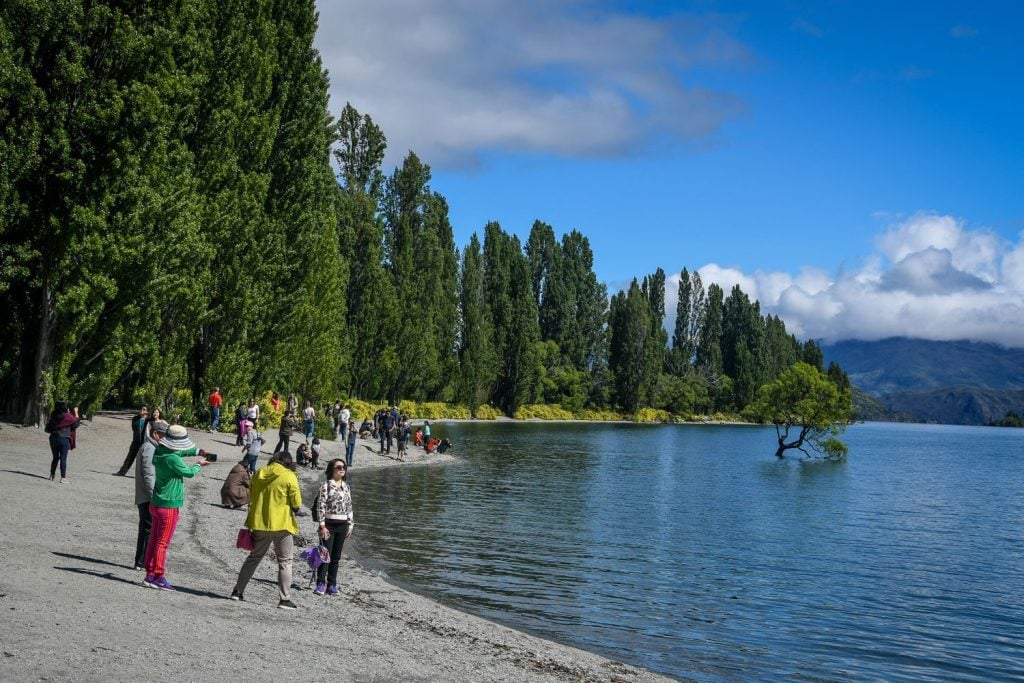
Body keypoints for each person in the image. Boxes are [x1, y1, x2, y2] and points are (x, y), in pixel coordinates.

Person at [230, 451, 302, 609]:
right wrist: (295, 508)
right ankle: (284, 599)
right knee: (285, 562)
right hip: (282, 524)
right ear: (288, 462)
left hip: (260, 522)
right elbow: (296, 502)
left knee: (254, 558)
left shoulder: (260, 472)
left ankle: (237, 591)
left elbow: (252, 495)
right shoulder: (289, 475)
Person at [144, 425, 209, 591]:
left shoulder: (160, 451)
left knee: (154, 539)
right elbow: (189, 473)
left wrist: (197, 451)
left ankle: (150, 572)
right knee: (162, 542)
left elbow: (178, 452)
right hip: (169, 504)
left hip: (156, 501)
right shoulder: (173, 459)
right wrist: (199, 464)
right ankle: (158, 576)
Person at [313, 459, 354, 596]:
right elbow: (321, 506)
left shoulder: (346, 486)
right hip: (329, 524)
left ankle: (332, 584)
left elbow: (349, 507)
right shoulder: (325, 485)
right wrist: (322, 526)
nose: (342, 469)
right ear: (332, 470)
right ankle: (320, 583)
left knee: (336, 557)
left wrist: (351, 524)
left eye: (344, 467)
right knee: (325, 555)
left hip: (343, 524)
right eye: (339, 467)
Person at [133, 419, 168, 569]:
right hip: (147, 497)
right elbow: (148, 475)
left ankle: (142, 561)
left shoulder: (150, 447)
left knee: (148, 528)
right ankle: (141, 561)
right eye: (163, 435)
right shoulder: (149, 448)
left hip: (146, 495)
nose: (166, 438)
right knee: (148, 529)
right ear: (155, 434)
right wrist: (155, 496)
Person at [46, 401, 80, 483]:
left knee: (55, 457)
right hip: (64, 439)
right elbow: (76, 424)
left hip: (53, 438)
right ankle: (63, 477)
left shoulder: (53, 414)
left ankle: (52, 475)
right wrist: (76, 412)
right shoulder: (67, 416)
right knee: (63, 458)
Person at [114, 405, 147, 476]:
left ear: (147, 411)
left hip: (145, 443)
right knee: (129, 458)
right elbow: (134, 429)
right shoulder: (135, 419)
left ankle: (144, 475)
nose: (142, 410)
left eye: (144, 409)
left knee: (145, 460)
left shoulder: (148, 420)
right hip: (136, 442)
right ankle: (122, 472)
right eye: (141, 409)